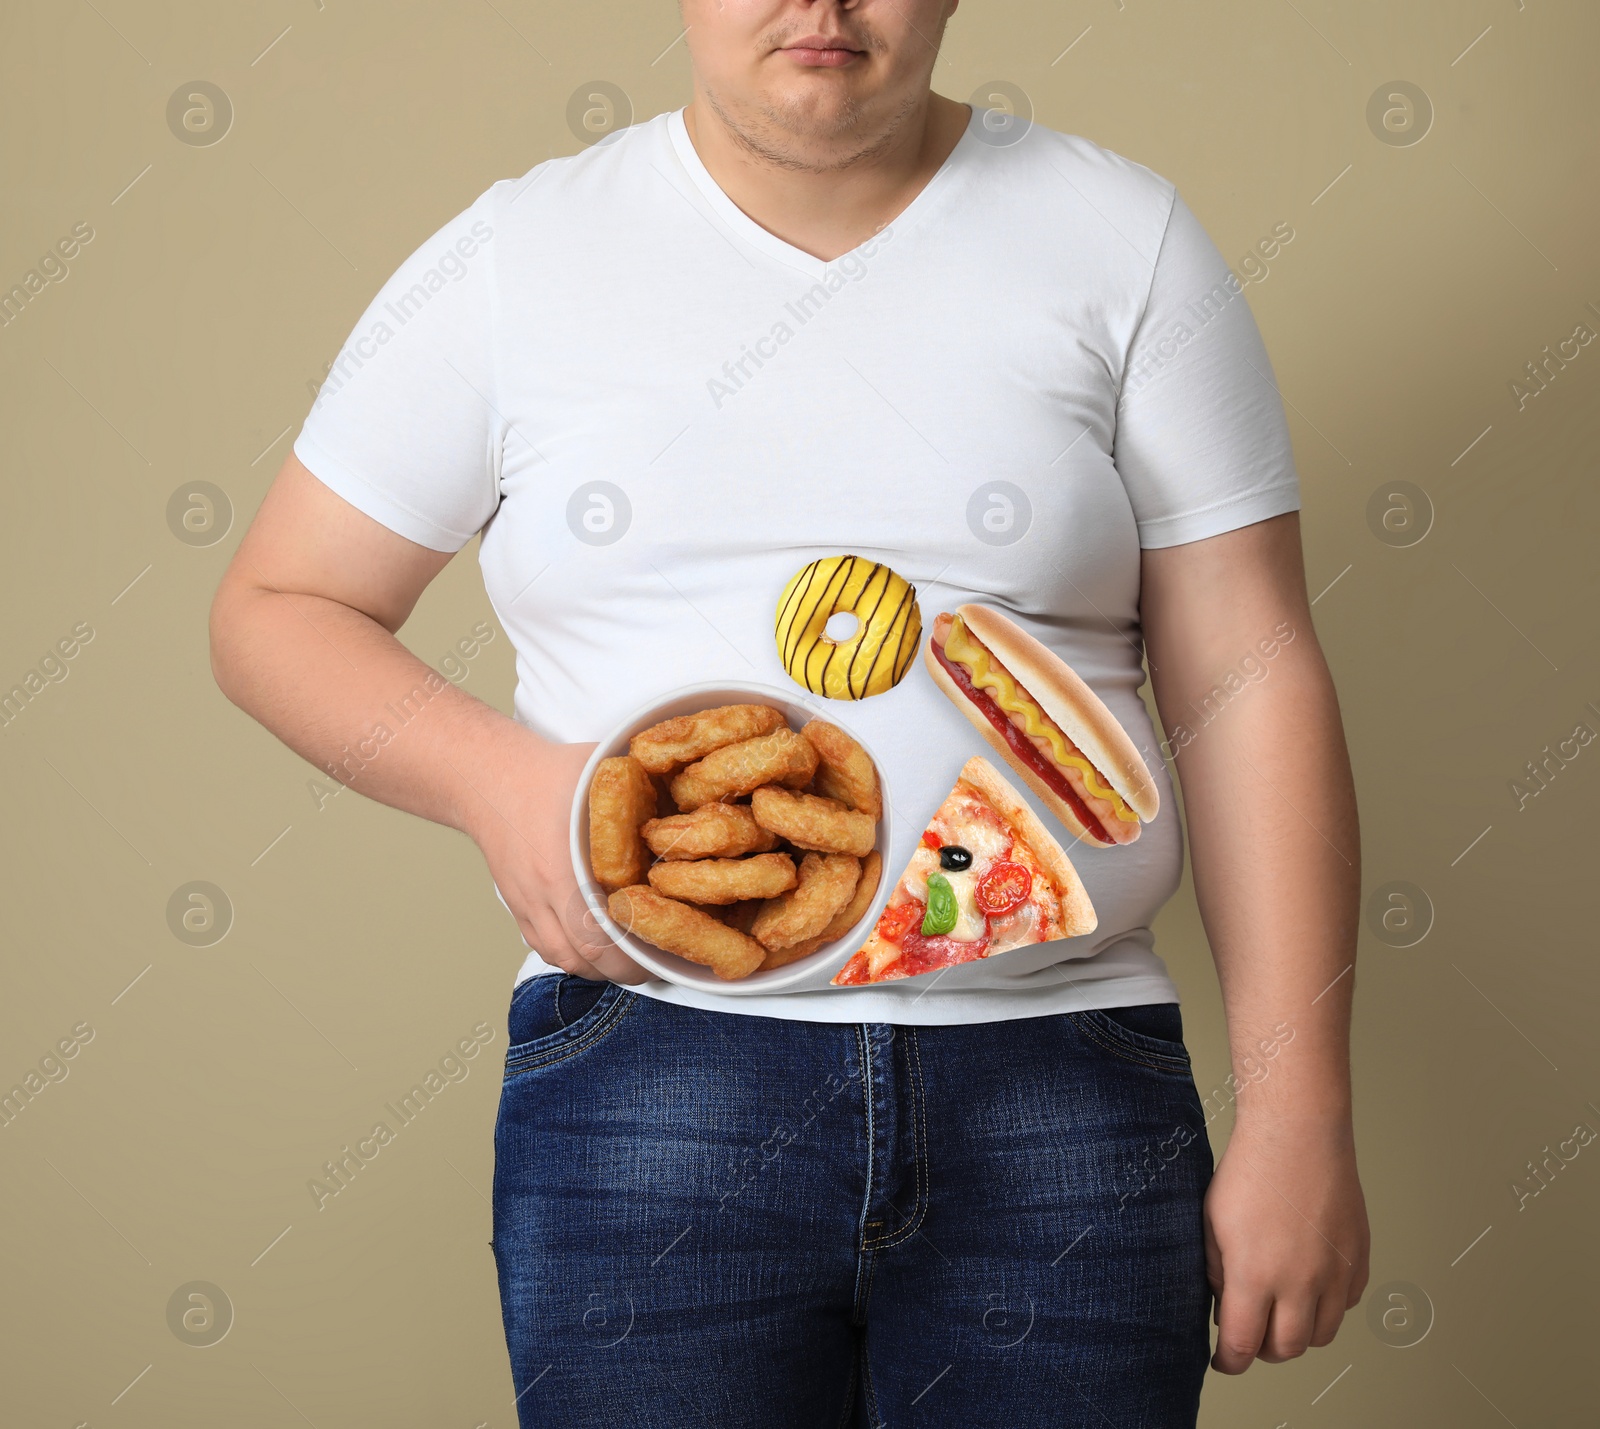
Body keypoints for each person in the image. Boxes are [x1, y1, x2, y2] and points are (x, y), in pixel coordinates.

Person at [209, 2, 1369, 1424]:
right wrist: (495, 780)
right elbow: (277, 608)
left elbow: (1250, 672)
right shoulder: (517, 260)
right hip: (651, 1076)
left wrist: (1300, 1110)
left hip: (1065, 1082)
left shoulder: (1121, 240)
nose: (821, 4)